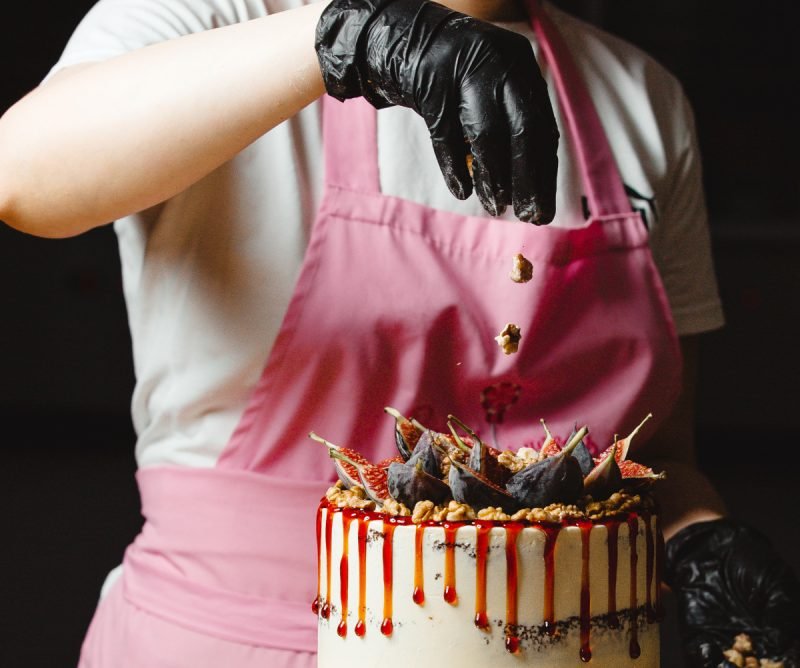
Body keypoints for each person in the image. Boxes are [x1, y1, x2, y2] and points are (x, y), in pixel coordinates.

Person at [0, 0, 796, 666]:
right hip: (233, 641)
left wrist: (700, 541)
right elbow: (24, 173)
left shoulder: (642, 97)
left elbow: (661, 456)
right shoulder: (218, 15)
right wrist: (345, 36)